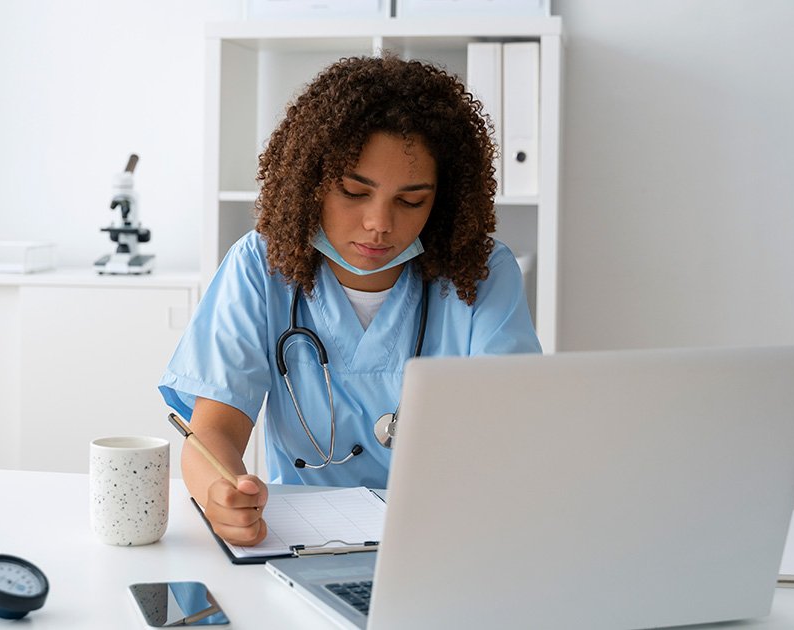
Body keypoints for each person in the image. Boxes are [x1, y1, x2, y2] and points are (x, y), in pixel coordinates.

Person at [158, 54, 541, 546]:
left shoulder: (481, 273)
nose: (379, 223)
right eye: (354, 192)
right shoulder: (260, 265)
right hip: (304, 541)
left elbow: (514, 434)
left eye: (411, 200)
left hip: (443, 537)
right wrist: (222, 493)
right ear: (312, 182)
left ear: (443, 199)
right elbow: (214, 432)